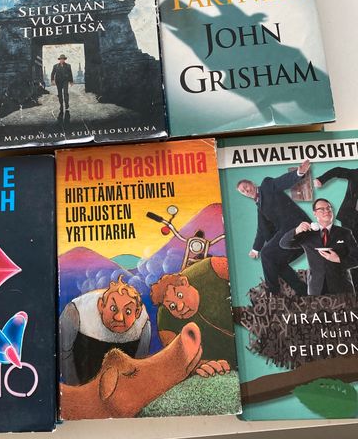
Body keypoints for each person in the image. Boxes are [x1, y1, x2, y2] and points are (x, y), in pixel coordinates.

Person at [150, 256, 235, 376]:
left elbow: (241, 274)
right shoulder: (165, 320)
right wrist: (201, 365)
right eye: (172, 306)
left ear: (184, 282)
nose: (180, 307)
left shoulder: (209, 268)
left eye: (179, 295)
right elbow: (177, 359)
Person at [236, 160, 311, 295]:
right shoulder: (260, 207)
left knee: (267, 254)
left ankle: (273, 293)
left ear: (252, 183)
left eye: (246, 187)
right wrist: (255, 249)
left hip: (299, 226)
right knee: (276, 263)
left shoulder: (267, 186)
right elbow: (262, 229)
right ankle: (303, 292)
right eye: (243, 191)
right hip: (290, 238)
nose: (246, 191)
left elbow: (281, 182)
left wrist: (298, 173)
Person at [59, 276, 150, 385]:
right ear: (101, 305)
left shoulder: (143, 324)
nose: (119, 318)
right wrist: (76, 387)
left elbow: (138, 364)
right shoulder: (75, 313)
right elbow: (64, 354)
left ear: (137, 312)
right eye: (113, 309)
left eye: (128, 312)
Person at [280, 198, 358, 295]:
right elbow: (284, 244)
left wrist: (338, 259)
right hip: (316, 288)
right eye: (322, 209)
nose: (327, 211)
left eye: (328, 208)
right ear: (315, 213)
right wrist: (296, 230)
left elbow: (356, 258)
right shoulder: (307, 234)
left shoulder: (345, 233)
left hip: (342, 287)